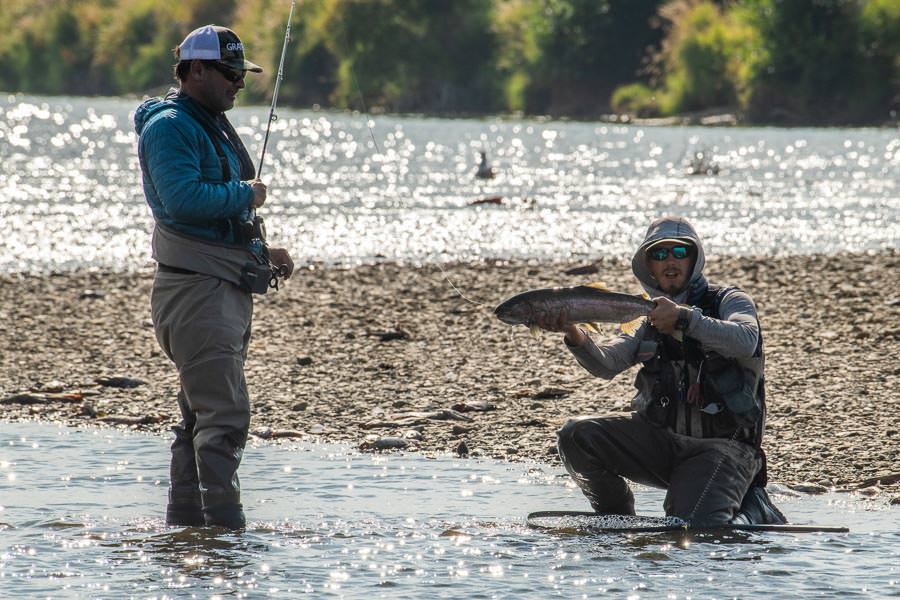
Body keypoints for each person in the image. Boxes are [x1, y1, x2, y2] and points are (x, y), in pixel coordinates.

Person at [134, 24, 294, 529]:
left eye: (240, 73)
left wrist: (263, 249)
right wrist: (248, 195)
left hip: (215, 287)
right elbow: (182, 201)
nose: (238, 83)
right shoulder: (170, 127)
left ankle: (186, 532)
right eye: (228, 72)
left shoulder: (203, 121)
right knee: (223, 418)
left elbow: (210, 210)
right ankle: (227, 535)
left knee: (196, 420)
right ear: (194, 70)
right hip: (196, 293)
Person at [540, 216, 785, 526]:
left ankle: (755, 506)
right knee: (575, 435)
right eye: (659, 254)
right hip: (660, 443)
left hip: (724, 449)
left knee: (695, 529)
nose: (670, 261)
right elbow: (607, 364)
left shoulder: (729, 301)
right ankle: (616, 518)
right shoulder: (646, 317)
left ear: (694, 260)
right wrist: (573, 333)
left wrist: (684, 319)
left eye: (679, 253)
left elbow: (746, 340)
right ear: (648, 266)